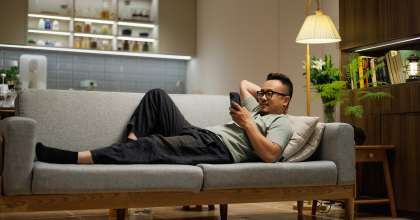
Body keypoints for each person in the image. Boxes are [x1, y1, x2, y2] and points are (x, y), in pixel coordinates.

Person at [35, 73, 294, 165]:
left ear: (286, 100)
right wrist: (263, 92)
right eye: (262, 92)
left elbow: (270, 156)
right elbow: (244, 84)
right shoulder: (258, 108)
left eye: (271, 94)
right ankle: (128, 148)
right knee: (157, 96)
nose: (262, 96)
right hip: (201, 134)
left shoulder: (282, 122)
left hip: (218, 148)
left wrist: (248, 123)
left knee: (154, 144)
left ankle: (73, 158)